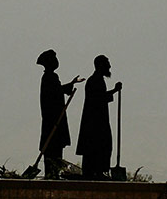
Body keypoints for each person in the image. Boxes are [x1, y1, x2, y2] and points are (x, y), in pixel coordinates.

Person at [36, 49, 84, 179]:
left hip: (55, 119)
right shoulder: (49, 78)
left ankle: (53, 173)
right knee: (52, 149)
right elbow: (53, 95)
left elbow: (57, 91)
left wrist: (71, 83)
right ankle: (51, 174)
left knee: (55, 149)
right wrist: (69, 86)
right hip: (53, 121)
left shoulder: (50, 77)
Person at [76, 55, 122, 180]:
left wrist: (113, 91)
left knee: (102, 146)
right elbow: (99, 99)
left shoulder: (98, 80)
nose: (109, 66)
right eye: (107, 64)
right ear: (100, 65)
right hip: (95, 124)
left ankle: (99, 171)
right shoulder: (94, 81)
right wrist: (114, 90)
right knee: (98, 146)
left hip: (98, 122)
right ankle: (96, 172)